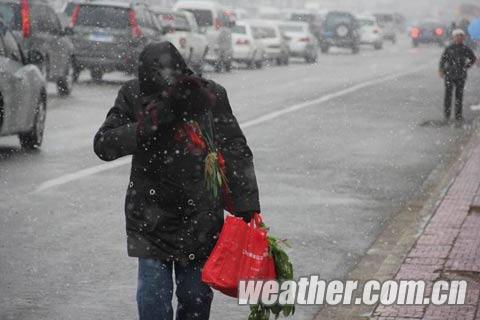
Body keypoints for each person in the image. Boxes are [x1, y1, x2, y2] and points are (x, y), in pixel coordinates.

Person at [93, 42, 261, 320]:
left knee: (195, 300)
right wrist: (146, 126)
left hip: (200, 219)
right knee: (153, 302)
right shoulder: (133, 94)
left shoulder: (210, 95)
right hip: (150, 218)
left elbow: (234, 149)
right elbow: (103, 144)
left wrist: (246, 204)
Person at [439, 29, 477, 123]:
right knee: (448, 95)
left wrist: (466, 67)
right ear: (453, 38)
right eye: (456, 36)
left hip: (461, 75)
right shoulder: (449, 48)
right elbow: (443, 60)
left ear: (463, 38)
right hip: (449, 74)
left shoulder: (465, 48)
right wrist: (441, 70)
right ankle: (447, 115)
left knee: (459, 96)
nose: (458, 38)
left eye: (460, 36)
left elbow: (473, 59)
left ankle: (458, 115)